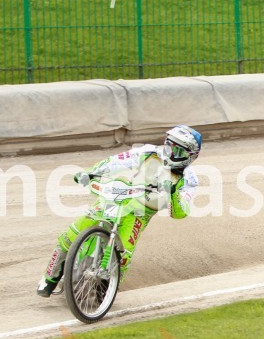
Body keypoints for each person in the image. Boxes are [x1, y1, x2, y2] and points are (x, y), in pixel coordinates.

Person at [37, 125, 202, 297]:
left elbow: (180, 212)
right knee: (69, 235)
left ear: (190, 157)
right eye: (169, 146)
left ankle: (105, 293)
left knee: (124, 253)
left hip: (140, 214)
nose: (171, 153)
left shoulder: (190, 180)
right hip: (120, 196)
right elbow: (116, 161)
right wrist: (90, 172)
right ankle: (49, 278)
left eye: (179, 151)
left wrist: (173, 193)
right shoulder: (148, 152)